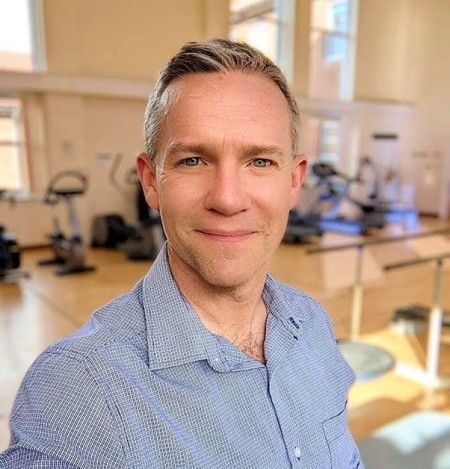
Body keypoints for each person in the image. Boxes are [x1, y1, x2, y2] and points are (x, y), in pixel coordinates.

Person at [0, 39, 364, 468]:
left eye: (260, 162)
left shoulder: (313, 325)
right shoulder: (77, 392)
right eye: (193, 160)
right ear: (151, 181)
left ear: (293, 181)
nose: (227, 199)